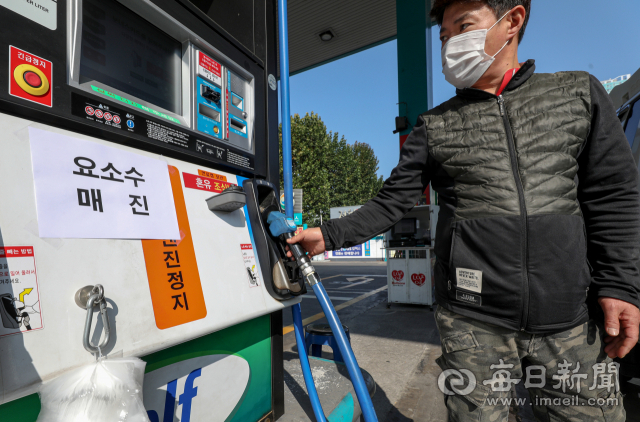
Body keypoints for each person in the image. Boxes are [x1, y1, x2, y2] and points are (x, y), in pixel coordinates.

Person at [286, 0, 640, 420]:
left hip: (568, 318)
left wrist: (619, 286)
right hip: (473, 323)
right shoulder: (435, 126)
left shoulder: (576, 94)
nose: (451, 42)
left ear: (512, 20)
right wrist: (327, 235)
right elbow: (392, 201)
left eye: (464, 26)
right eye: (444, 35)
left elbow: (613, 195)